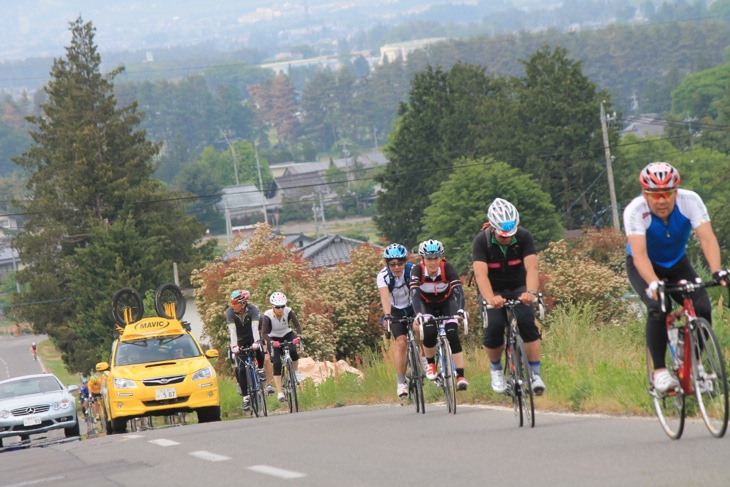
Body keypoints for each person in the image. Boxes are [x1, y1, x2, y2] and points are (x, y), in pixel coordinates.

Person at [624, 162, 728, 393]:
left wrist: (716, 270)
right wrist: (653, 282)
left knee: (702, 306)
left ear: (676, 192)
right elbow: (640, 255)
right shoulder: (635, 210)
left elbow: (707, 238)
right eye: (656, 195)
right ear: (645, 194)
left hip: (677, 264)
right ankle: (660, 372)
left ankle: (693, 361)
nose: (662, 201)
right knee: (659, 306)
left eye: (668, 194)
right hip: (644, 265)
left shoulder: (690, 201)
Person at [472, 198, 546, 396]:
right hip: (493, 289)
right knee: (494, 326)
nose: (507, 239)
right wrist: (489, 299)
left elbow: (532, 267)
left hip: (518, 286)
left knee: (527, 322)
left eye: (510, 235)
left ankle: (535, 374)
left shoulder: (524, 237)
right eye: (503, 236)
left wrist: (530, 293)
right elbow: (480, 275)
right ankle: (496, 369)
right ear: (493, 229)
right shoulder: (481, 241)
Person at [409, 239, 469, 390]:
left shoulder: (447, 267)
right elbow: (414, 294)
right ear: (423, 259)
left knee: (452, 334)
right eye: (429, 258)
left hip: (446, 303)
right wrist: (418, 314)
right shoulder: (417, 270)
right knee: (429, 331)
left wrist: (461, 308)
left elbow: (458, 290)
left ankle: (460, 376)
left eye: (436, 258)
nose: (433, 262)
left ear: (441, 257)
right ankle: (431, 364)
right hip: (426, 305)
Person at [377, 243, 416, 398]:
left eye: (400, 263)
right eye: (392, 264)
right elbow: (385, 298)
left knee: (421, 333)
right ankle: (401, 383)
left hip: (413, 306)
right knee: (401, 342)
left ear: (405, 262)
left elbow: (418, 291)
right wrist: (387, 316)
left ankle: (426, 364)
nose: (397, 267)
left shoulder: (413, 271)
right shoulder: (383, 276)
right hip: (396, 310)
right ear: (388, 264)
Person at [225, 289, 265, 411]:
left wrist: (256, 342)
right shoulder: (230, 312)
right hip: (239, 340)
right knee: (241, 368)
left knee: (259, 349)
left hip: (251, 336)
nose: (233, 306)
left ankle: (260, 369)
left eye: (235, 304)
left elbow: (254, 327)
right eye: (232, 304)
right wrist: (234, 346)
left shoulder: (253, 309)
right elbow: (232, 331)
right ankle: (246, 398)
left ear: (243, 303)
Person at [260, 292, 303, 402]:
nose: (280, 309)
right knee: (277, 363)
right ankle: (280, 392)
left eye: (282, 306)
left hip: (287, 334)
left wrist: (298, 336)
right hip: (273, 338)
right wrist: (271, 342)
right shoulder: (267, 315)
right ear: (272, 306)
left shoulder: (288, 311)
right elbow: (264, 333)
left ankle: (296, 372)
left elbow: (297, 325)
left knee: (293, 351)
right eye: (278, 307)